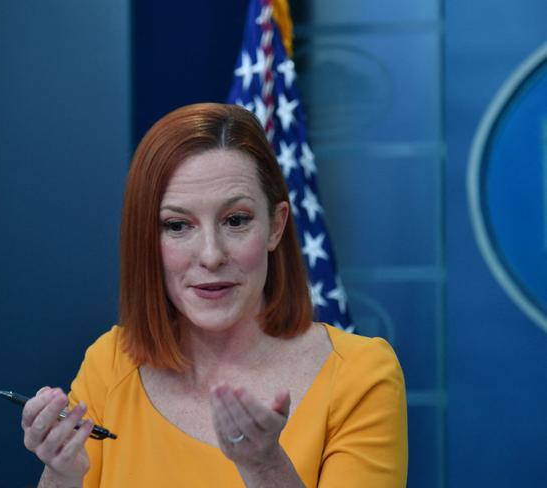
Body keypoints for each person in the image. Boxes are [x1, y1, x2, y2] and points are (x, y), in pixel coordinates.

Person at [21, 103, 408, 487]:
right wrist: (62, 475)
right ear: (146, 239)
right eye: (177, 225)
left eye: (235, 220)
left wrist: (265, 466)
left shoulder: (360, 375)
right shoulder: (109, 365)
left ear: (276, 226)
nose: (210, 255)